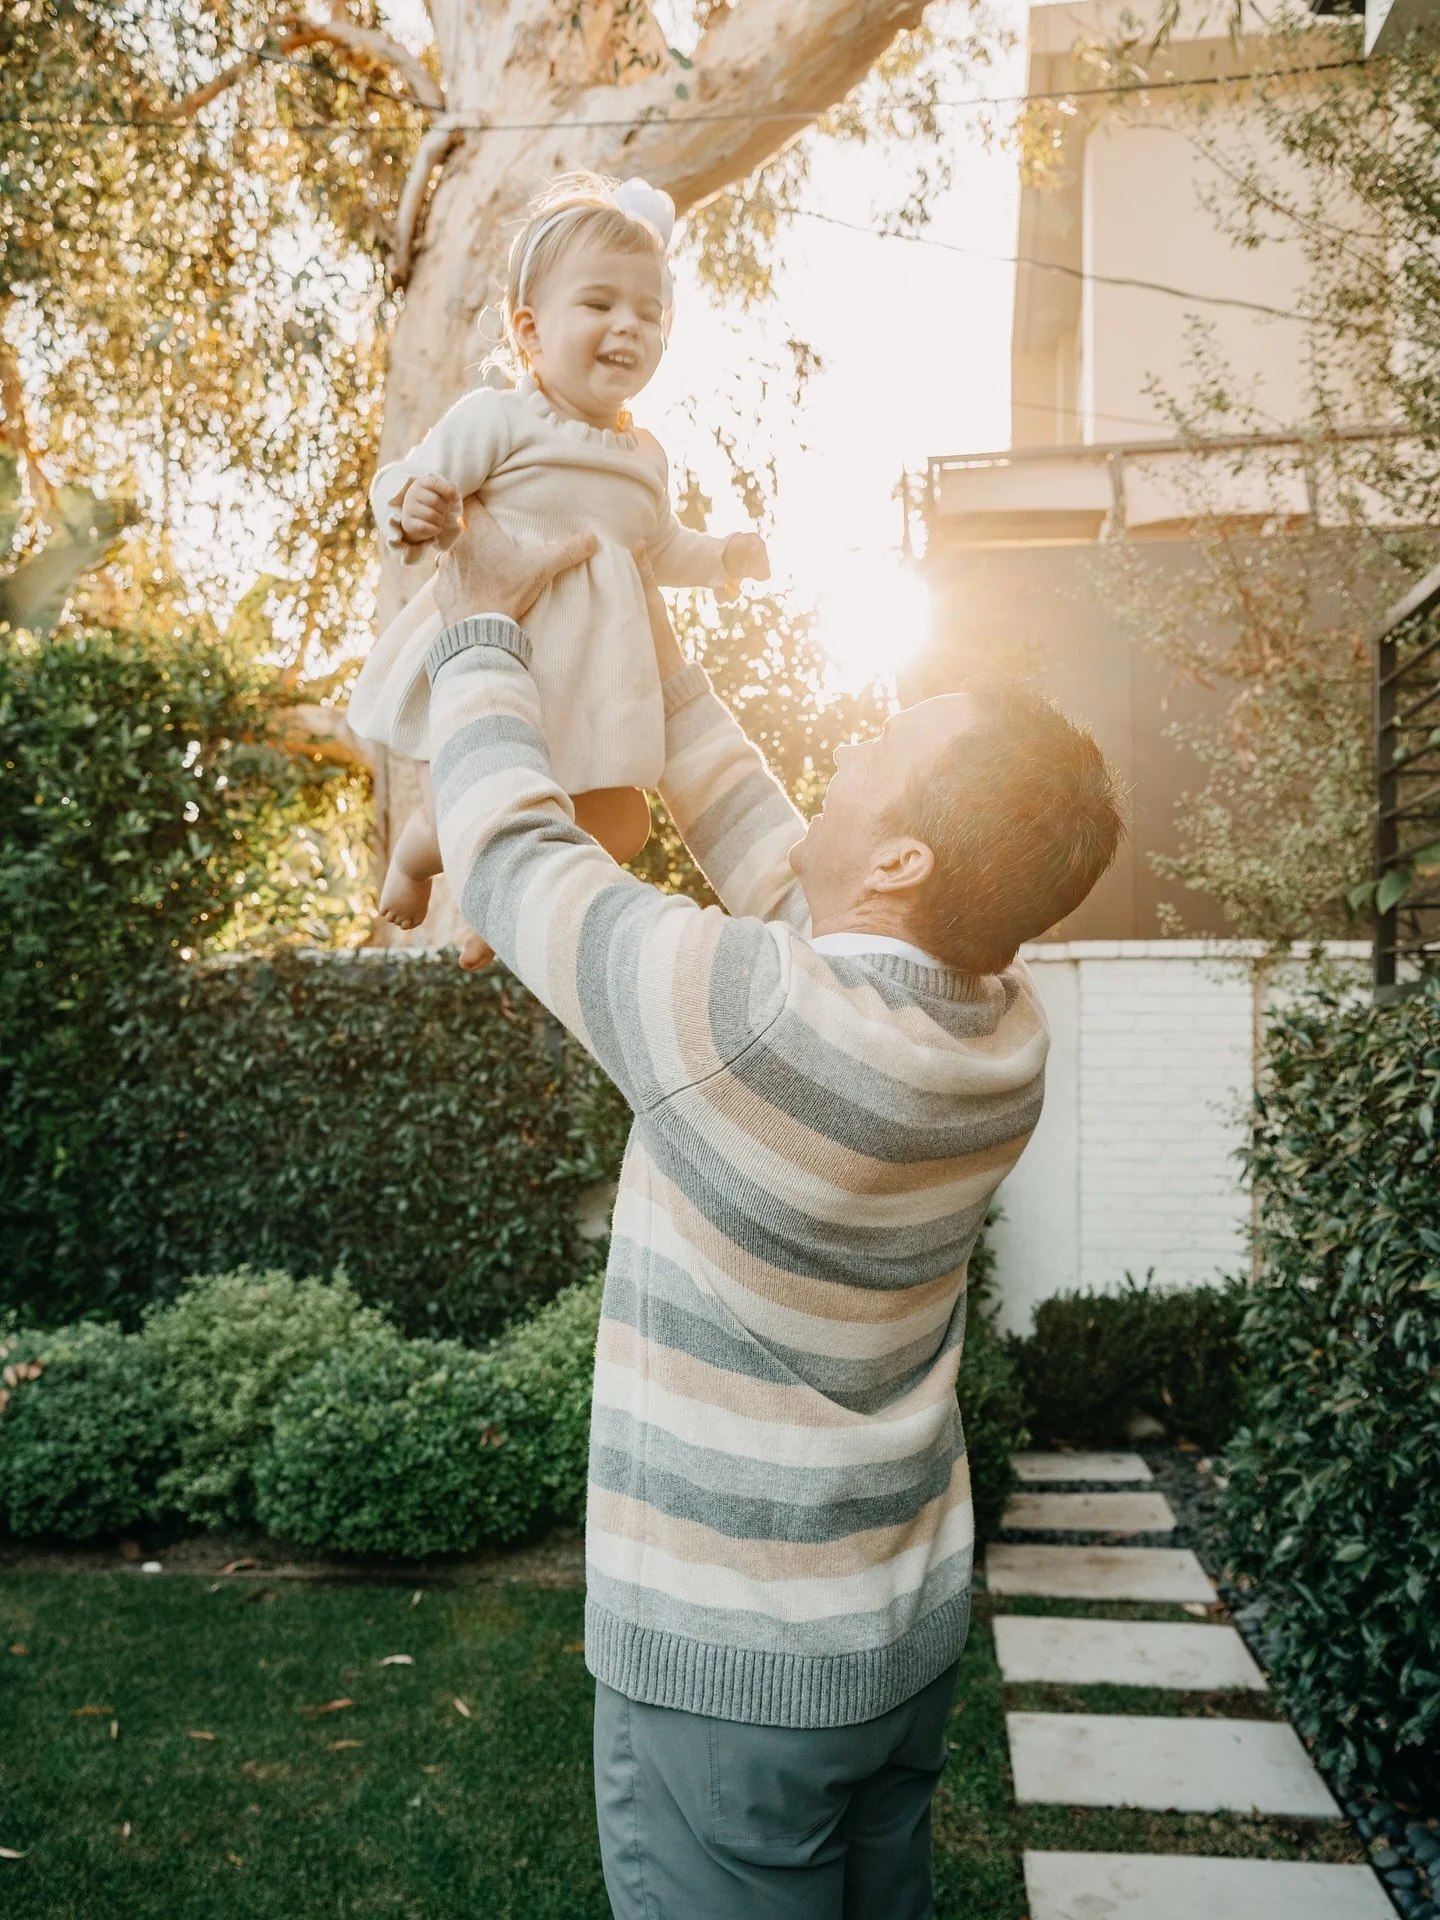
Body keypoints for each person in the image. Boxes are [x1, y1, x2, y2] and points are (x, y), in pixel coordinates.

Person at [424, 509, 1125, 1919]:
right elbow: (754, 822)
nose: (842, 757)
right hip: (893, 1648)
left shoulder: (751, 1019)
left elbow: (507, 852)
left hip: (733, 1682)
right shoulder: (999, 1032)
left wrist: (481, 623)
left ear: (904, 862)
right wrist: (637, 615)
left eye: (876, 748)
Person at [346, 171, 769, 968]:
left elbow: (660, 549)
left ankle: (511, 908)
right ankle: (419, 850)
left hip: (600, 680)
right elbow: (404, 476)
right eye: (600, 303)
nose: (628, 325)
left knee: (625, 822)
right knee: (474, 798)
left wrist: (722, 558)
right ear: (530, 332)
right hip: (507, 659)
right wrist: (413, 505)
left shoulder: (646, 457)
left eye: (649, 312)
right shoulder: (499, 419)